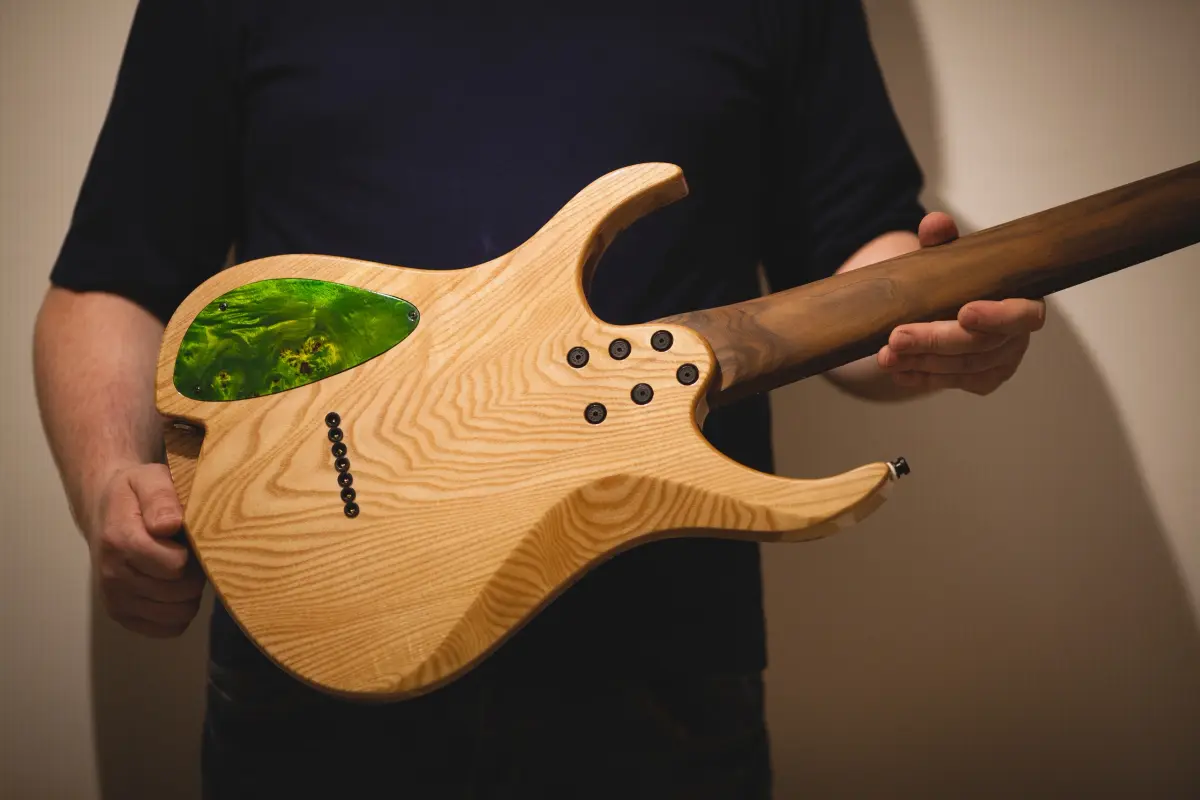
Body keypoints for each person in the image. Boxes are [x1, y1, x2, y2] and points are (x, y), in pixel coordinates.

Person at [33, 1, 1045, 797]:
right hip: (313, 662)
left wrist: (932, 333)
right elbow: (111, 280)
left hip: (659, 673)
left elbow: (852, 253)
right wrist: (109, 484)